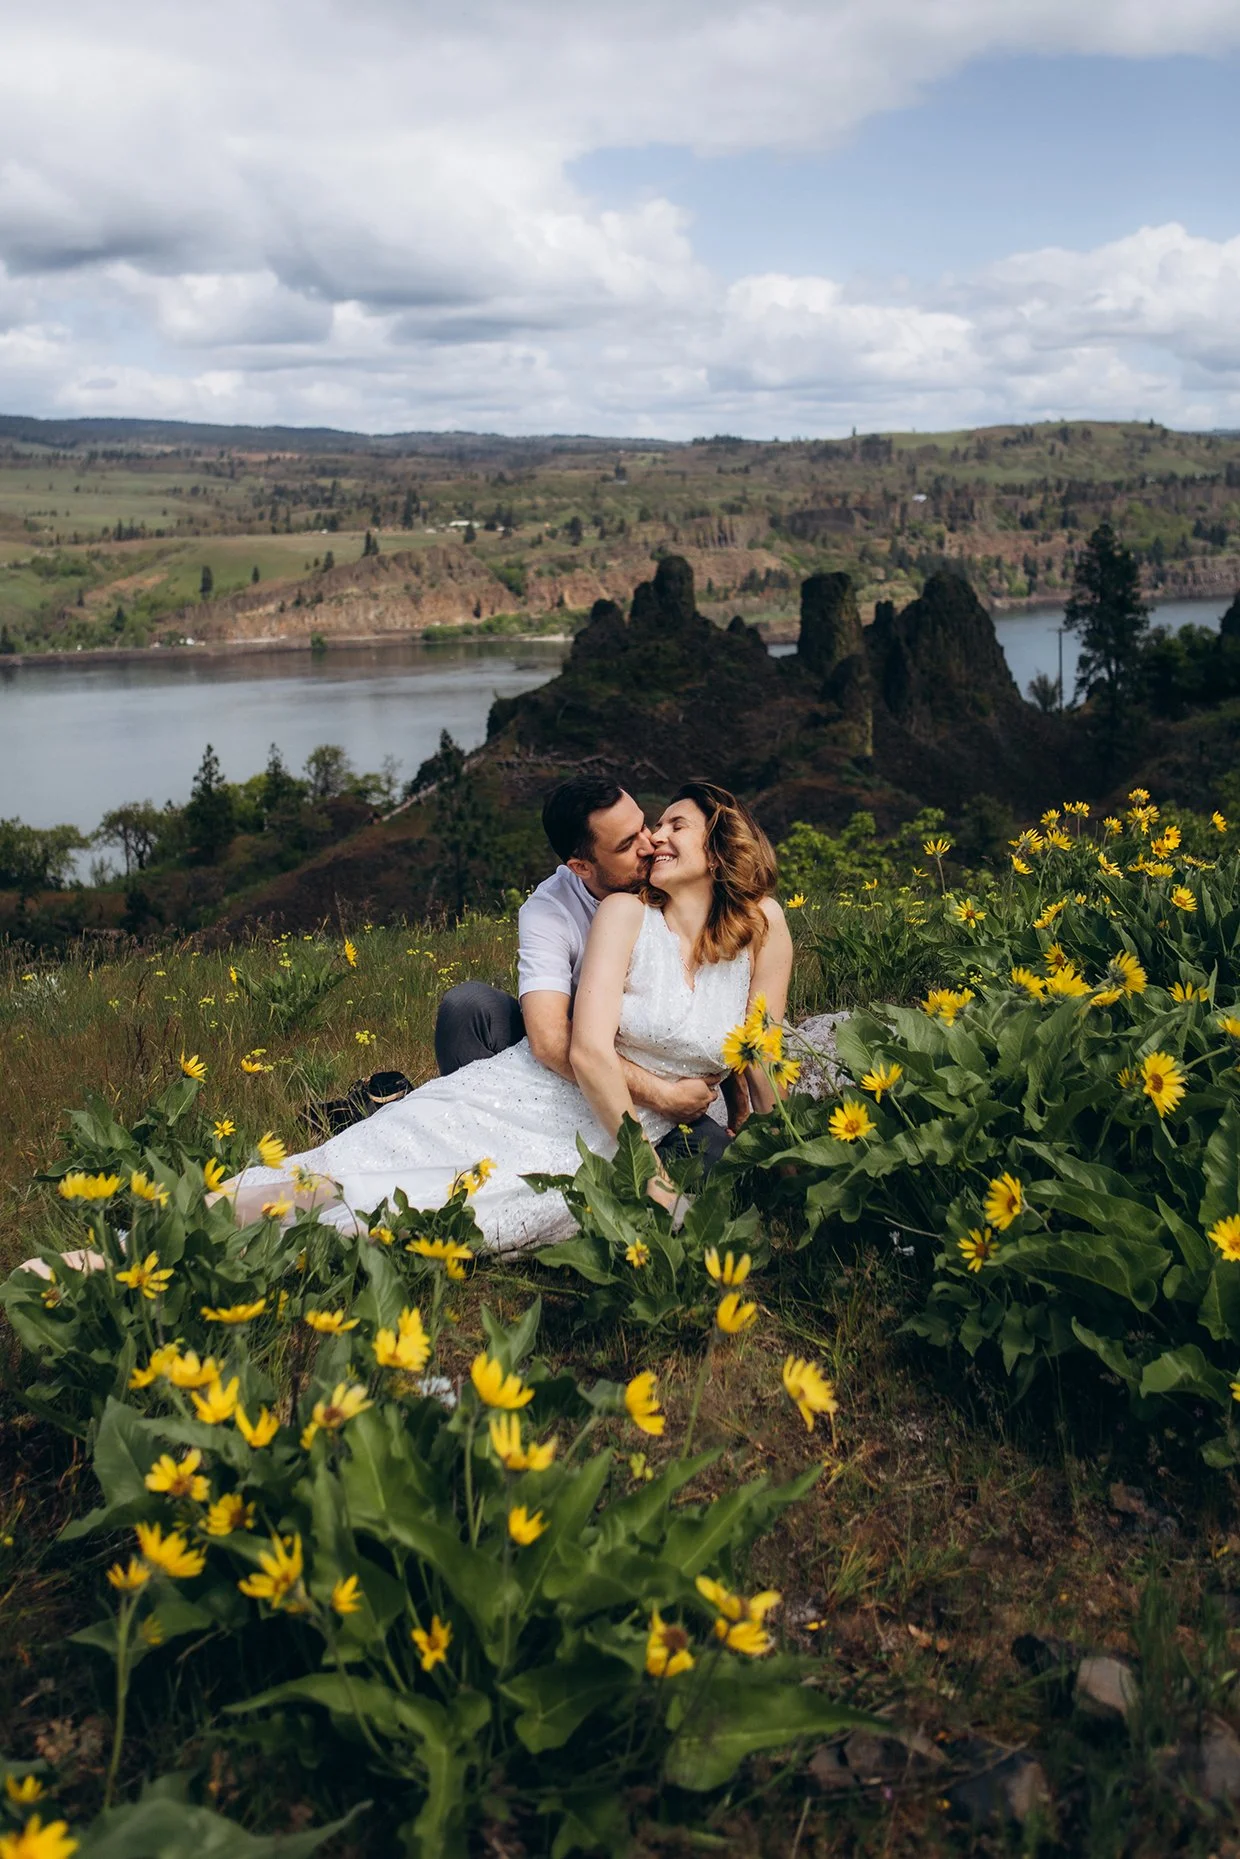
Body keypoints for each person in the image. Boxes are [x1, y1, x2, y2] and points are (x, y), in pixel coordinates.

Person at [223, 780, 792, 1251]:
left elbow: (759, 1052)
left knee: (450, 1198)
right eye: (640, 836)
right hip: (556, 1078)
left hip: (625, 1110)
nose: (653, 840)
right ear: (582, 864)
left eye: (667, 825)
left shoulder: (763, 925)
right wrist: (656, 1146)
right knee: (389, 1167)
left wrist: (789, 1152)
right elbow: (563, 1044)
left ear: (717, 848)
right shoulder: (606, 911)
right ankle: (213, 1212)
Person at [434, 774, 728, 1170]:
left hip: (655, 1060)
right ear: (580, 866)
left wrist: (738, 1101)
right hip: (580, 1065)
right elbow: (549, 1039)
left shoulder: (674, 880)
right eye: (626, 844)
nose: (649, 844)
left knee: (718, 1163)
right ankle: (478, 1140)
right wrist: (662, 1096)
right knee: (468, 1007)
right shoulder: (549, 910)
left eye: (643, 825)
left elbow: (717, 993)